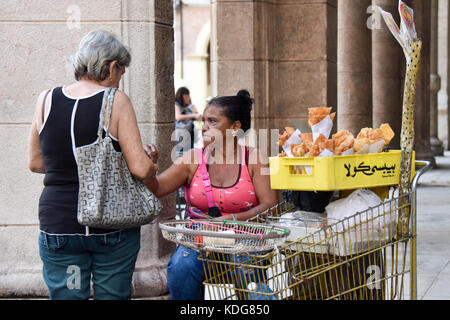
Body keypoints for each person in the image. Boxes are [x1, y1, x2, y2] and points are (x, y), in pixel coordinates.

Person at [27, 30, 157, 300]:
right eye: (121, 72)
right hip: (109, 228)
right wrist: (149, 160)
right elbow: (141, 169)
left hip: (59, 224)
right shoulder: (115, 100)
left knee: (68, 296)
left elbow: (36, 162)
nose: (120, 80)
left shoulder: (46, 99)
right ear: (112, 67)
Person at [144, 90, 278, 300]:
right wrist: (149, 169)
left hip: (245, 237)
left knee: (250, 279)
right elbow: (157, 188)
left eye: (213, 121)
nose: (204, 127)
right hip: (200, 238)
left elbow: (270, 204)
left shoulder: (254, 159)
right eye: (205, 121)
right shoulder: (192, 159)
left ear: (235, 127)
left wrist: (233, 219)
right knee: (181, 267)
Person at [174, 87, 202, 152]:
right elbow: (178, 117)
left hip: (190, 134)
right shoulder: (176, 105)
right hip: (180, 135)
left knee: (190, 153)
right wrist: (193, 115)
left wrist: (195, 113)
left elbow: (198, 119)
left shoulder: (191, 106)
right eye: (185, 96)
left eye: (188, 95)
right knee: (180, 154)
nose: (188, 98)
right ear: (180, 96)